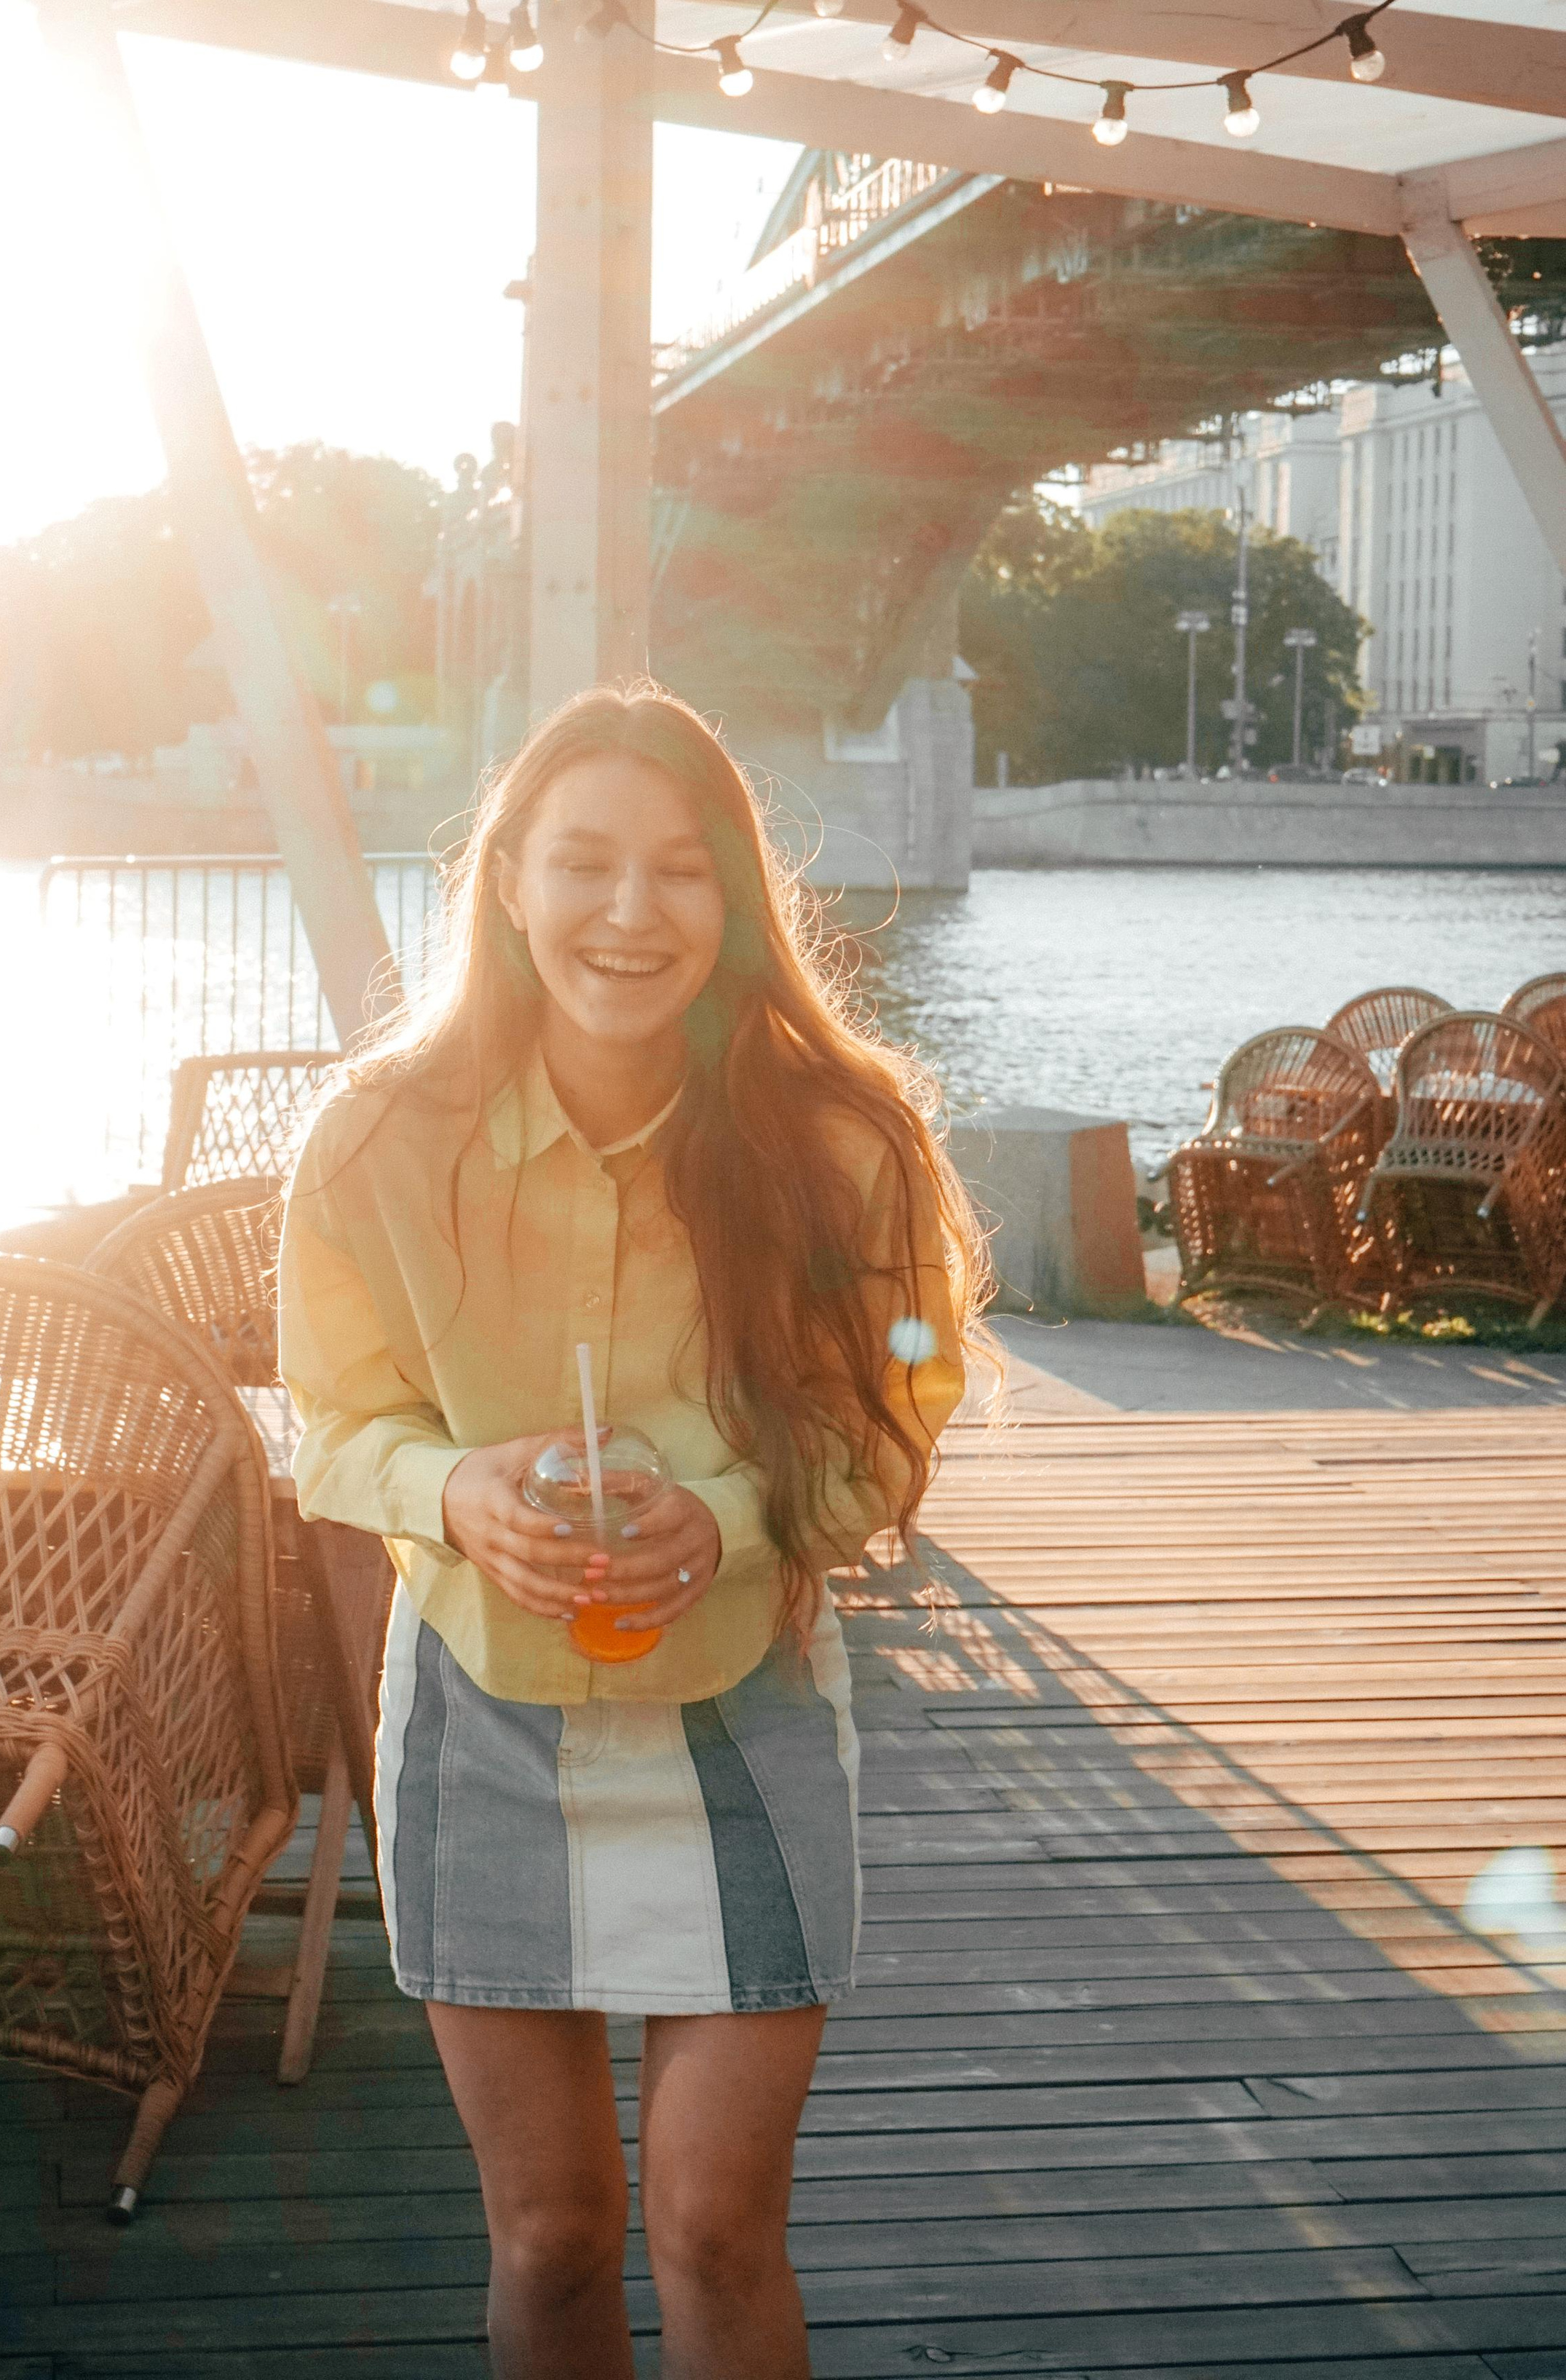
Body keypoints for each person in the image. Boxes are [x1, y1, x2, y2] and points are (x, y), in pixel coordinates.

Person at [280, 682, 987, 2380]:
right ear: (506, 877)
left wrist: (735, 1512)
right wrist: (450, 1491)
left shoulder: (844, 1139)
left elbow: (894, 1415)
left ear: (736, 901)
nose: (627, 913)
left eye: (681, 870)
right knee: (549, 2235)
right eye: (583, 862)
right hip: (477, 1715)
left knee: (716, 2227)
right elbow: (331, 1423)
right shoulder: (371, 1136)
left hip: (745, 1711)